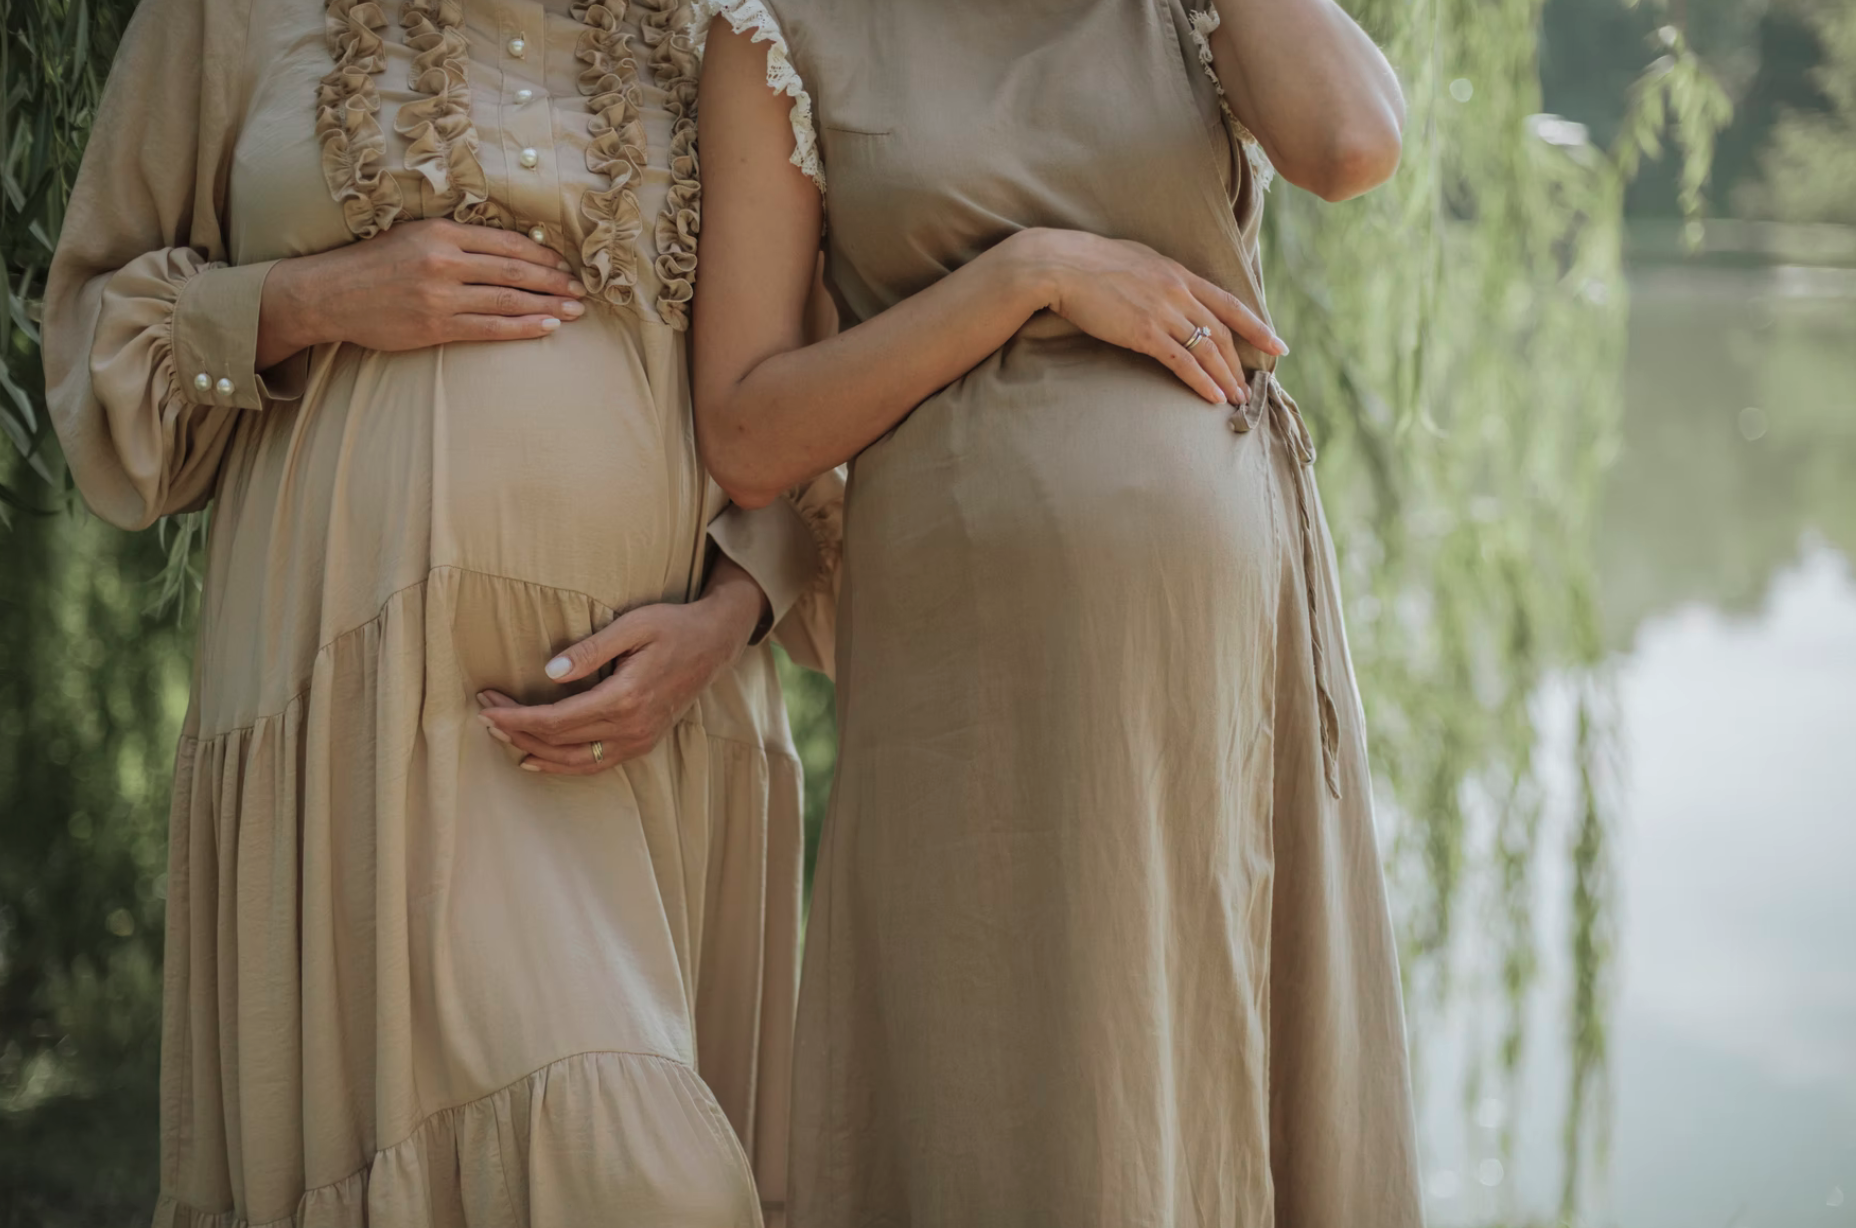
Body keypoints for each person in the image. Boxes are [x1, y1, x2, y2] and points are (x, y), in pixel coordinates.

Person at [43, 0, 838, 1223]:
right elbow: (97, 343)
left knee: (648, 1175)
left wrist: (732, 616)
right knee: (638, 1184)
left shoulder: (723, 22)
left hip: (657, 730)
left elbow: (799, 396)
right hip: (368, 721)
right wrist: (314, 299)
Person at [691, 0, 1423, 1223]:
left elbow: (1349, 144)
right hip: (972, 673)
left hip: (1217, 657)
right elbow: (751, 431)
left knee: (1229, 1067)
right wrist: (1028, 278)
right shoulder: (777, 27)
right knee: (1007, 1089)